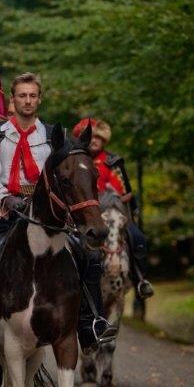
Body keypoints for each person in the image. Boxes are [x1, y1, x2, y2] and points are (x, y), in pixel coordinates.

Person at [0, 72, 114, 353]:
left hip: (47, 215)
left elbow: (66, 173)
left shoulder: (52, 136)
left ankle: (90, 324)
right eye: (22, 95)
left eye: (32, 95)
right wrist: (7, 200)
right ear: (13, 99)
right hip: (5, 212)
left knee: (90, 256)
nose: (27, 100)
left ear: (39, 99)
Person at [72, 117, 154, 299]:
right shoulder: (75, 160)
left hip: (113, 213)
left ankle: (141, 279)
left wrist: (103, 200)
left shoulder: (113, 161)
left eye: (98, 138)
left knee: (138, 237)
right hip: (83, 216)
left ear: (104, 140)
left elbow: (124, 192)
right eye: (91, 137)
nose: (94, 141)